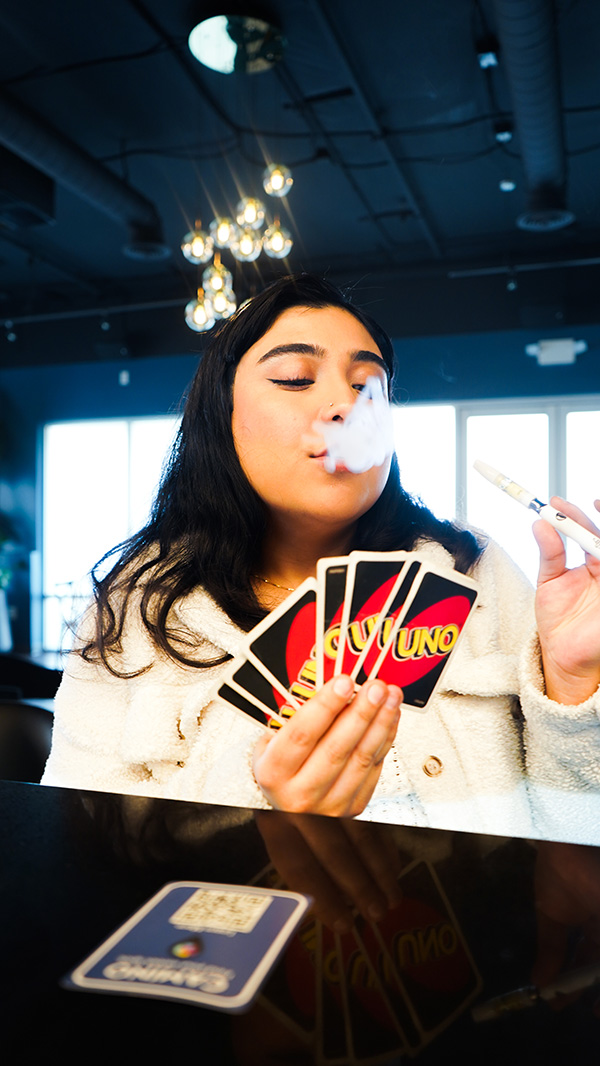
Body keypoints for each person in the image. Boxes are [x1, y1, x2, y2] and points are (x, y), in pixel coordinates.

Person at [41, 274, 600, 843]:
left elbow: (574, 843)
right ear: (220, 414)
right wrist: (259, 805)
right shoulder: (137, 608)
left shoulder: (472, 571)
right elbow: (82, 846)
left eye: (368, 386)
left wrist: (573, 683)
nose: (344, 405)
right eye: (294, 378)